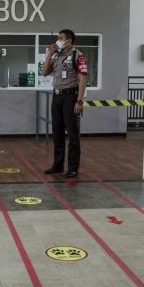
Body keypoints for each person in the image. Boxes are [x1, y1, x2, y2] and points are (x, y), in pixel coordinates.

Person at [42, 29, 87, 178]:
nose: (57, 40)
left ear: (69, 41)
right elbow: (44, 72)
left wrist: (79, 101)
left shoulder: (78, 55)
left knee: (72, 134)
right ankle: (58, 165)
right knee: (57, 133)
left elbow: (82, 79)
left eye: (60, 38)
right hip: (56, 97)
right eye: (57, 38)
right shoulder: (56, 55)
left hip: (70, 97)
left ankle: (73, 168)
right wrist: (49, 53)